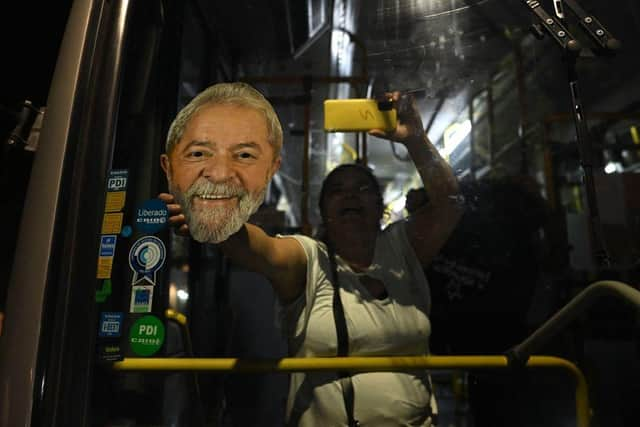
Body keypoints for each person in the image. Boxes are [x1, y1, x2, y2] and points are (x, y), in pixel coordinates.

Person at [159, 81, 462, 426]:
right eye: (337, 191)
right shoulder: (310, 260)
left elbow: (450, 204)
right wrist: (215, 217)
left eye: (363, 189)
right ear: (324, 213)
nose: (350, 196)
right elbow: (258, 248)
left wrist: (416, 140)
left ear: (380, 207)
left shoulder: (402, 250)